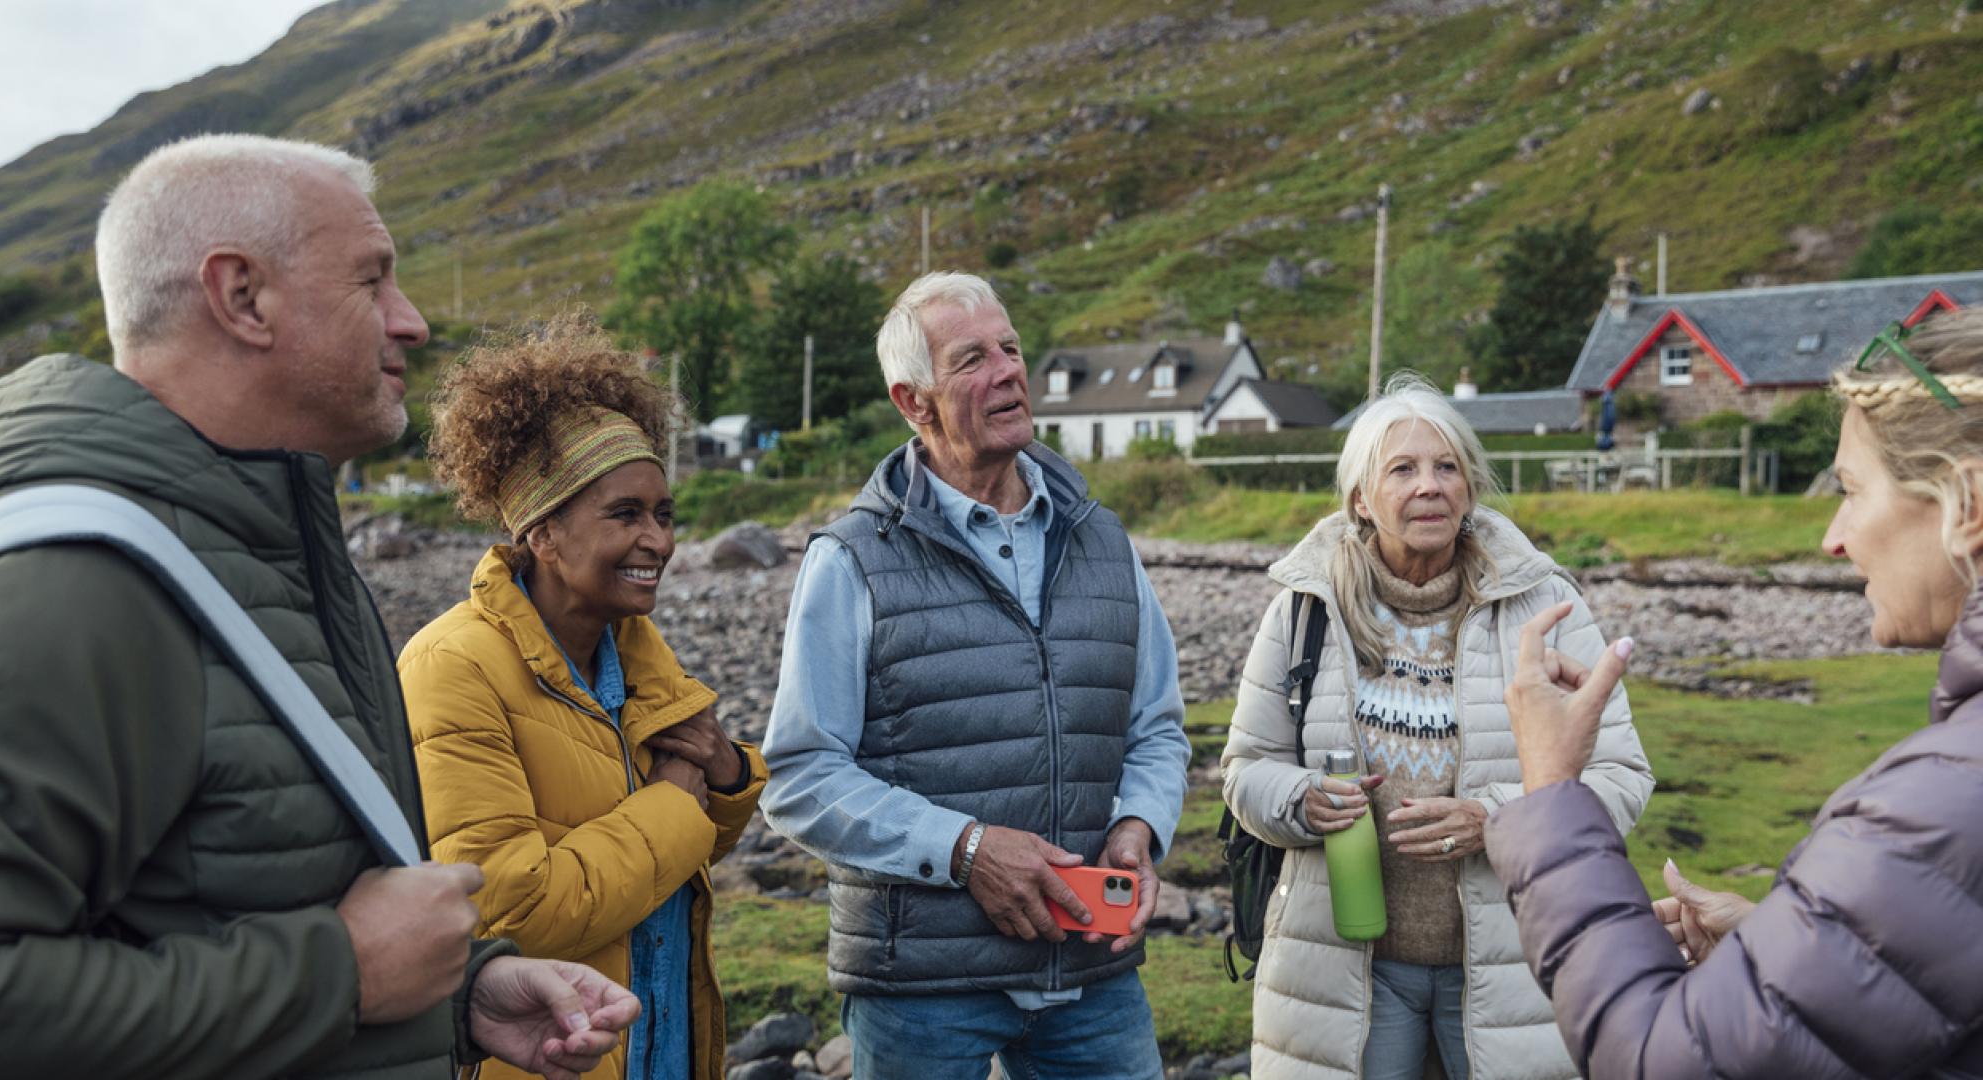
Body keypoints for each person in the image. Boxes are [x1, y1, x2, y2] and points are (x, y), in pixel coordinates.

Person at [0, 134, 636, 1078]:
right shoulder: (72, 584)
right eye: (372, 281)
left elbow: (251, 886)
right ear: (242, 296)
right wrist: (343, 977)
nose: (409, 322)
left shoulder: (267, 544)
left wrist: (453, 997)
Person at [1488, 309, 1983, 1078]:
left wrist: (1550, 788)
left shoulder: (1937, 808)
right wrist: (1786, 952)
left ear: (1967, 503)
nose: (1833, 537)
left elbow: (1656, 1062)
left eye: (1851, 490)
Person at [759, 272, 1192, 1079]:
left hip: (1089, 974)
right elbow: (800, 777)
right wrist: (966, 850)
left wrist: (1139, 825)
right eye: (972, 359)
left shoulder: (1104, 540)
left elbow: (1156, 728)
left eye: (1012, 348)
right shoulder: (851, 559)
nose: (1007, 371)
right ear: (913, 400)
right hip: (921, 988)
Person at [1219, 374, 1653, 1080]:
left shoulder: (1545, 605)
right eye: (1403, 469)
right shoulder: (1305, 609)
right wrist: (1302, 801)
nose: (1430, 486)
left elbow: (1621, 775)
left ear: (1471, 487)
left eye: (1447, 466)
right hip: (1347, 969)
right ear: (1361, 497)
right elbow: (1245, 769)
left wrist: (1499, 821)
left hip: (1512, 967)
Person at [399, 313, 767, 1080]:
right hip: (556, 1057)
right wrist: (676, 800)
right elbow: (511, 915)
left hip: (660, 1038)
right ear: (543, 532)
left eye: (664, 515)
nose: (660, 542)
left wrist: (728, 778)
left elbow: (679, 851)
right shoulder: (451, 666)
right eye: (625, 514)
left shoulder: (634, 649)